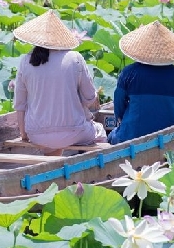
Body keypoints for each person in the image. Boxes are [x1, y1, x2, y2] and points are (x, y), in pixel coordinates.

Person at [12, 10, 106, 154]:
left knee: (52, 141)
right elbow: (89, 98)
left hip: (36, 134)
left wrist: (24, 134)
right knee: (100, 132)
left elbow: (20, 104)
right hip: (74, 132)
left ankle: (52, 165)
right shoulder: (75, 58)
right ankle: (87, 171)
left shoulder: (26, 61)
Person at [108, 20, 174, 145]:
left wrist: (124, 120)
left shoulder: (128, 73)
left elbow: (118, 106)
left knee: (112, 135)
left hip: (130, 136)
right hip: (167, 138)